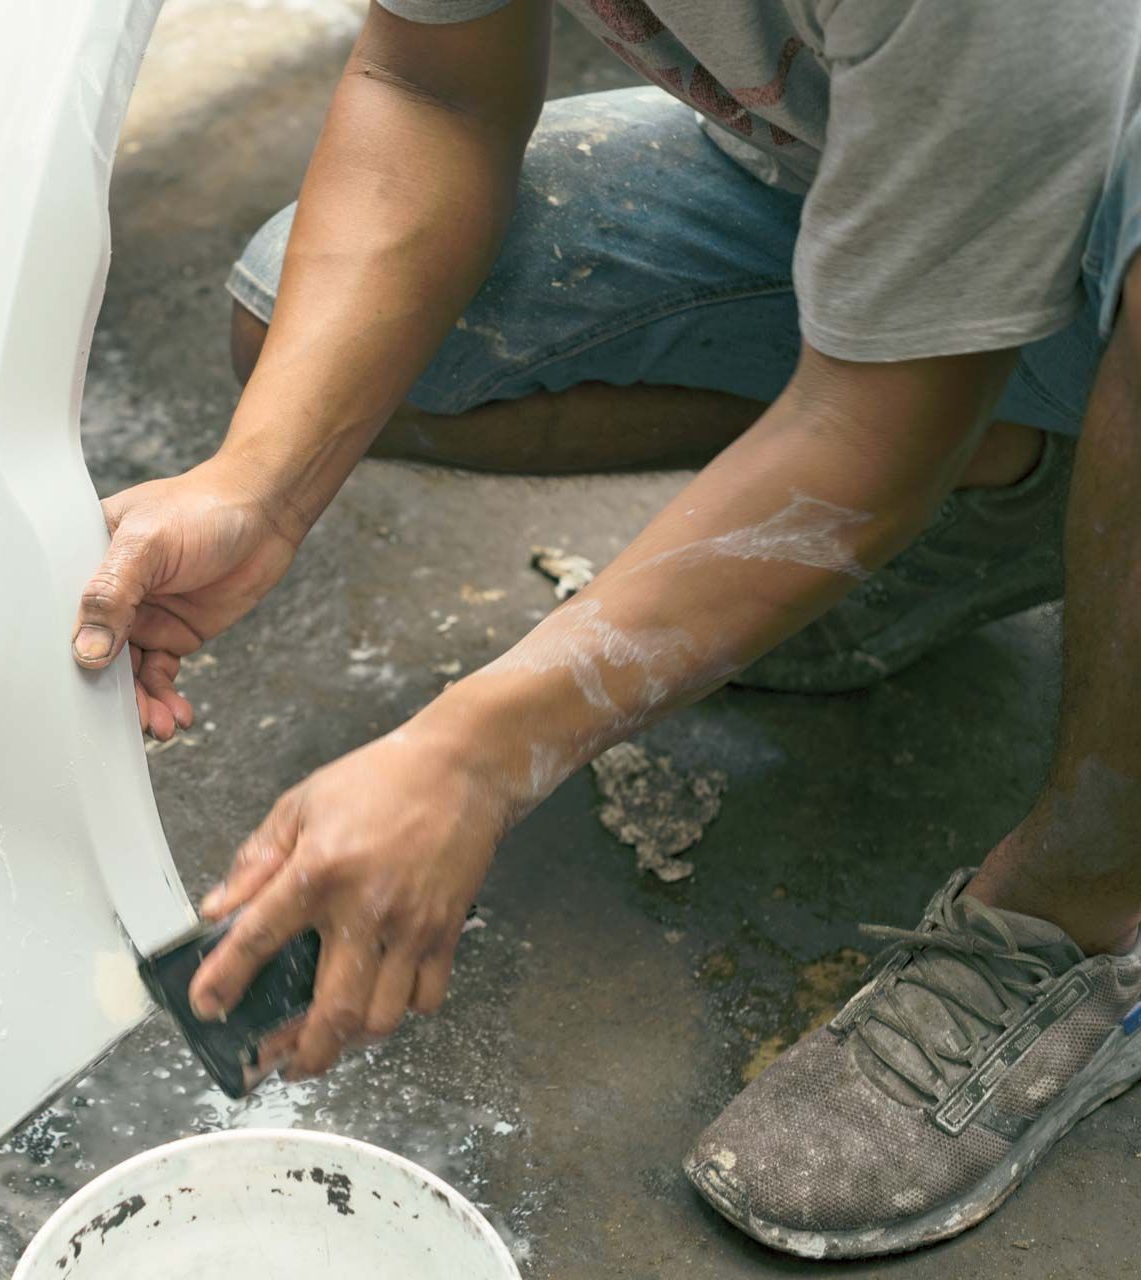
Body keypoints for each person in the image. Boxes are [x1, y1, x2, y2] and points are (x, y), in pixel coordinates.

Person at [69, 0, 1141, 1259]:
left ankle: (1082, 912)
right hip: (945, 170)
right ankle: (1047, 491)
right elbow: (433, 90)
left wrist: (473, 753)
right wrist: (261, 481)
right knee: (319, 331)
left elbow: (885, 417)